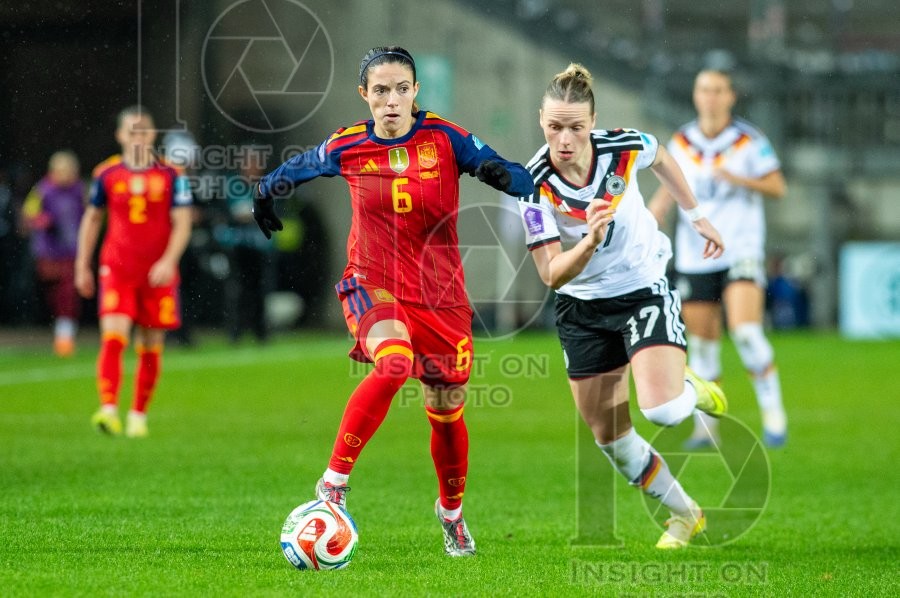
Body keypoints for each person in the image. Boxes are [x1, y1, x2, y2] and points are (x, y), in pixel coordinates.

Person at [253, 46, 533, 557]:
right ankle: (333, 482)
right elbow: (303, 165)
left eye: (401, 89)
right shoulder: (349, 144)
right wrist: (266, 192)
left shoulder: (444, 138)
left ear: (415, 92)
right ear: (365, 95)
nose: (391, 100)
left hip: (441, 296)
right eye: (380, 91)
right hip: (372, 282)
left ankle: (451, 515)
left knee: (445, 407)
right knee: (394, 362)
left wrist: (508, 176)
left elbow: (502, 168)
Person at [517, 64, 727, 549]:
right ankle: (685, 515)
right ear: (540, 121)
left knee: (665, 411)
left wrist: (695, 217)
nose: (564, 138)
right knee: (611, 438)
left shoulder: (622, 146)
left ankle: (690, 388)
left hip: (641, 287)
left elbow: (663, 158)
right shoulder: (531, 185)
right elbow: (550, 273)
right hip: (581, 307)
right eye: (554, 127)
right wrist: (589, 241)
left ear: (592, 122)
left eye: (575, 127)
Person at [648, 69, 788, 448]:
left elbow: (777, 185)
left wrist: (740, 180)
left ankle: (774, 416)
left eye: (717, 90)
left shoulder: (748, 141)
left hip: (740, 247)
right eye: (704, 90)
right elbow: (668, 190)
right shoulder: (681, 140)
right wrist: (651, 215)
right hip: (695, 253)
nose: (710, 97)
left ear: (731, 96)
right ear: (696, 96)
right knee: (703, 345)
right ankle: (706, 430)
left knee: (745, 331)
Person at [75, 106, 193, 438]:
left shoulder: (172, 174)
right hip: (118, 268)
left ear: (152, 134)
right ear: (120, 135)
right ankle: (109, 409)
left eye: (144, 130)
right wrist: (82, 263)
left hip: (157, 272)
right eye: (132, 130)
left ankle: (138, 415)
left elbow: (182, 223)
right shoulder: (106, 173)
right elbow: (92, 219)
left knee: (151, 344)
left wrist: (169, 261)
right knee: (114, 337)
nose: (138, 136)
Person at [22, 150, 85, 356]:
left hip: (73, 251)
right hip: (48, 252)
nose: (66, 175)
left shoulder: (79, 190)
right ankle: (56, 330)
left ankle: (64, 336)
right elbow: (28, 214)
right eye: (61, 171)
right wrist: (44, 221)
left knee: (68, 294)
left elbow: (91, 215)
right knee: (52, 294)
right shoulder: (43, 189)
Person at [220, 146, 276, 343]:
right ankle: (236, 331)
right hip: (237, 246)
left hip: (260, 246)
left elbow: (273, 212)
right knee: (237, 290)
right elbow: (223, 212)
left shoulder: (268, 184)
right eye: (248, 162)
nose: (251, 167)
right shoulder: (232, 184)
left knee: (260, 290)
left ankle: (260, 331)